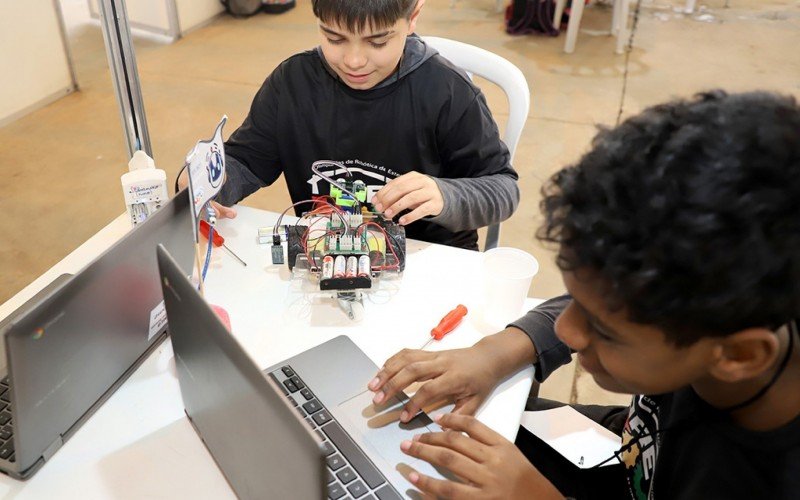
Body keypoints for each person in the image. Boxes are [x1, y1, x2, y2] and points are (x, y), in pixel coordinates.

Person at [367, 90, 800, 498]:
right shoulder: (733, 302)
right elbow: (609, 301)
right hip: (623, 450)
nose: (566, 331)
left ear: (739, 356)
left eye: (603, 330)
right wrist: (497, 351)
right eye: (577, 302)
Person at [179, 0, 519, 250]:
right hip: (327, 253)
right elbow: (246, 160)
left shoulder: (447, 92)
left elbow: (504, 189)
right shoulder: (293, 84)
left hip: (428, 261)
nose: (354, 61)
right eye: (335, 38)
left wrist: (447, 195)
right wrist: (207, 181)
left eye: (378, 42)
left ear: (413, 16)